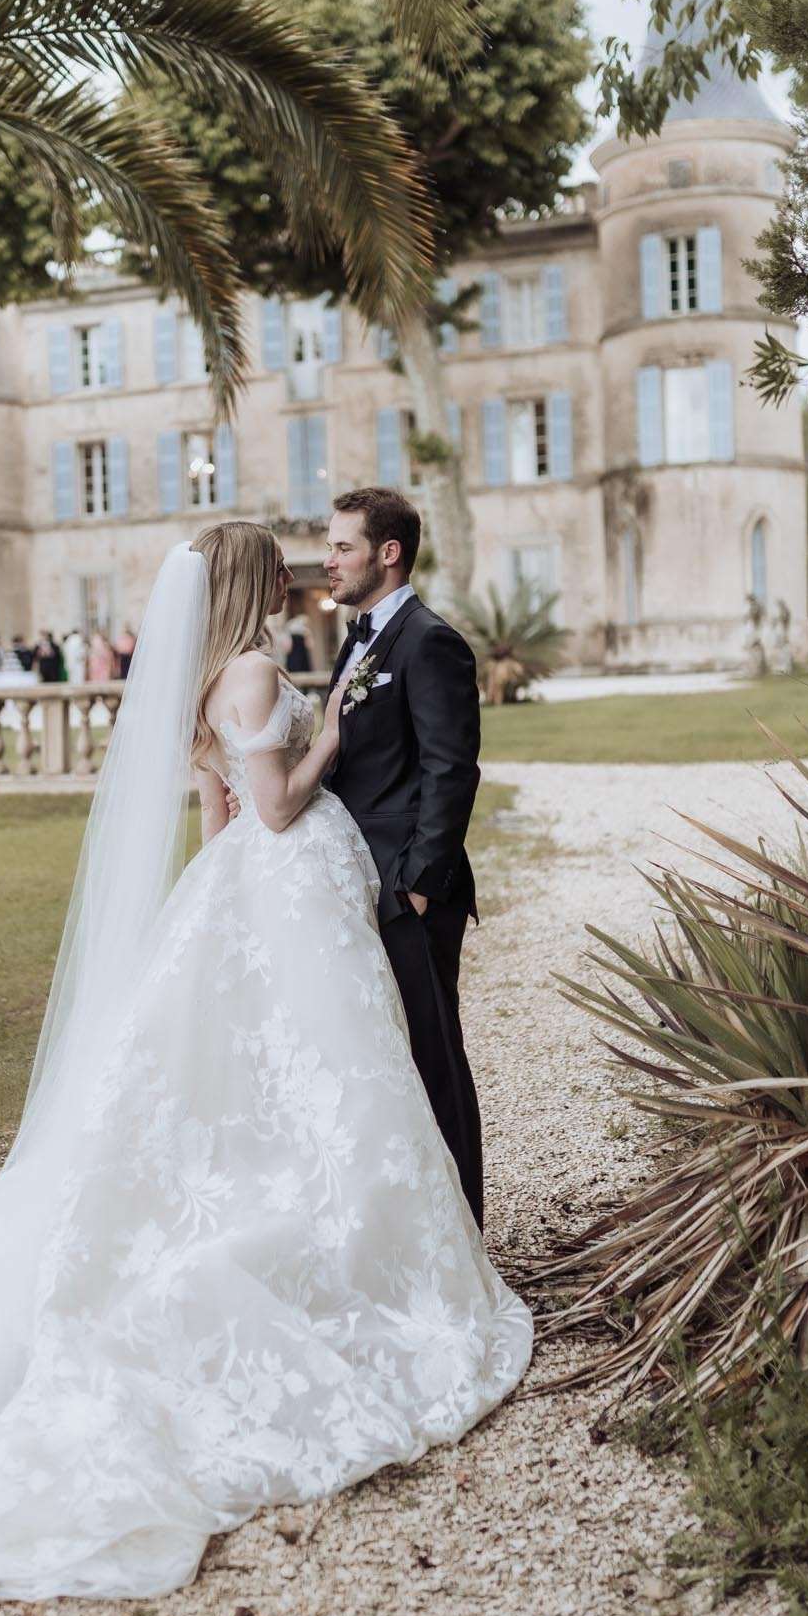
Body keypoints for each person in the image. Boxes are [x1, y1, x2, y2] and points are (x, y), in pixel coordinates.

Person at [0, 520, 529, 1601]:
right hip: (287, 874)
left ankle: (380, 1222)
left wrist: (224, 920)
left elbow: (214, 816)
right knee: (327, 1076)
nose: (309, 570)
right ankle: (378, 1244)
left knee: (283, 1077)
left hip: (256, 892)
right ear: (255, 579)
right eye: (285, 562)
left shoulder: (209, 674)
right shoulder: (255, 667)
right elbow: (271, 804)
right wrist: (331, 745)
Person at [322, 487, 485, 1225]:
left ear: (387, 554)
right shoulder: (359, 638)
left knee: (433, 1061)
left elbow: (451, 768)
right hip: (358, 884)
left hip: (407, 892)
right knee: (380, 1066)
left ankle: (464, 1231)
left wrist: (416, 885)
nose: (328, 561)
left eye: (341, 547)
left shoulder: (428, 640)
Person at [283, 607, 312, 673]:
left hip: (295, 657)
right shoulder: (305, 631)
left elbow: (288, 647)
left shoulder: (290, 627)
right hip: (300, 656)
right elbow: (309, 645)